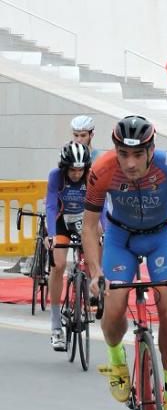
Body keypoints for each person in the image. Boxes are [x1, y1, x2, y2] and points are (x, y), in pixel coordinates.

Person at [83, 116, 167, 410]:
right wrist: (95, 273)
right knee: (114, 306)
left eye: (137, 155)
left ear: (151, 150)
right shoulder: (102, 169)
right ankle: (117, 360)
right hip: (120, 238)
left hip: (162, 236)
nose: (129, 163)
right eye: (123, 154)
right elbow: (90, 226)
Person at [46, 142, 90, 351]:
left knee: (97, 246)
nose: (76, 174)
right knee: (58, 265)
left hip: (84, 221)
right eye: (72, 169)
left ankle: (91, 287)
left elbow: (104, 205)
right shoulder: (56, 176)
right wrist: (52, 235)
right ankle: (56, 327)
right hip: (62, 221)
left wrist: (107, 232)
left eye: (80, 169)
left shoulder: (91, 176)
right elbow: (51, 204)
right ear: (65, 167)